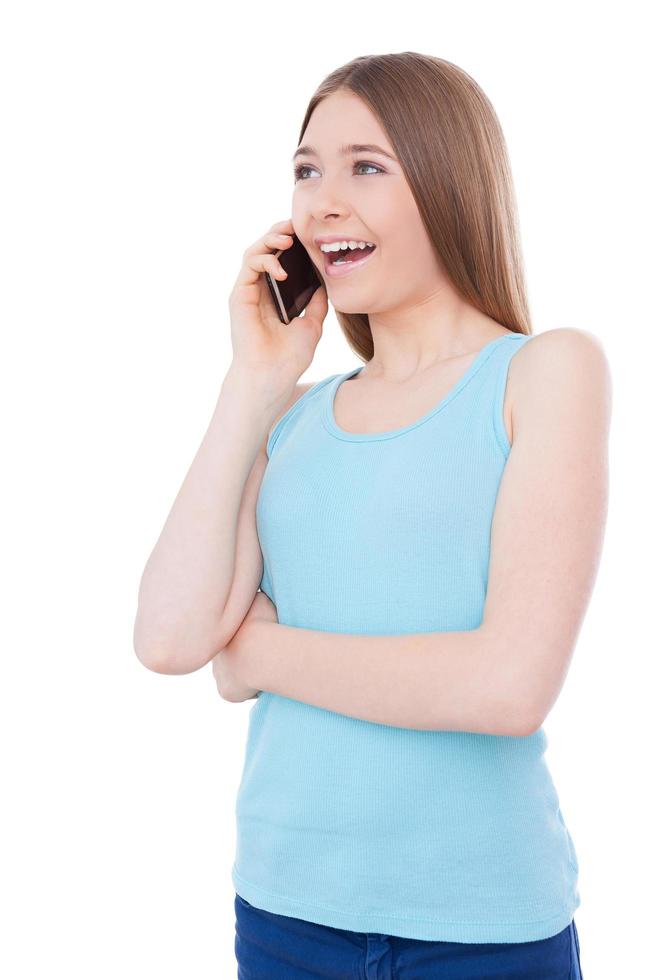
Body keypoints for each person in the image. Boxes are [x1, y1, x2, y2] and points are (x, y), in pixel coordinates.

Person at [134, 52, 609, 978]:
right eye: (306, 168)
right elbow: (167, 636)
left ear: (446, 178)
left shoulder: (543, 373)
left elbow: (507, 686)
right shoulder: (295, 415)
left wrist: (262, 654)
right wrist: (254, 381)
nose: (321, 200)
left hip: (483, 933)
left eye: (365, 165)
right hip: (283, 917)